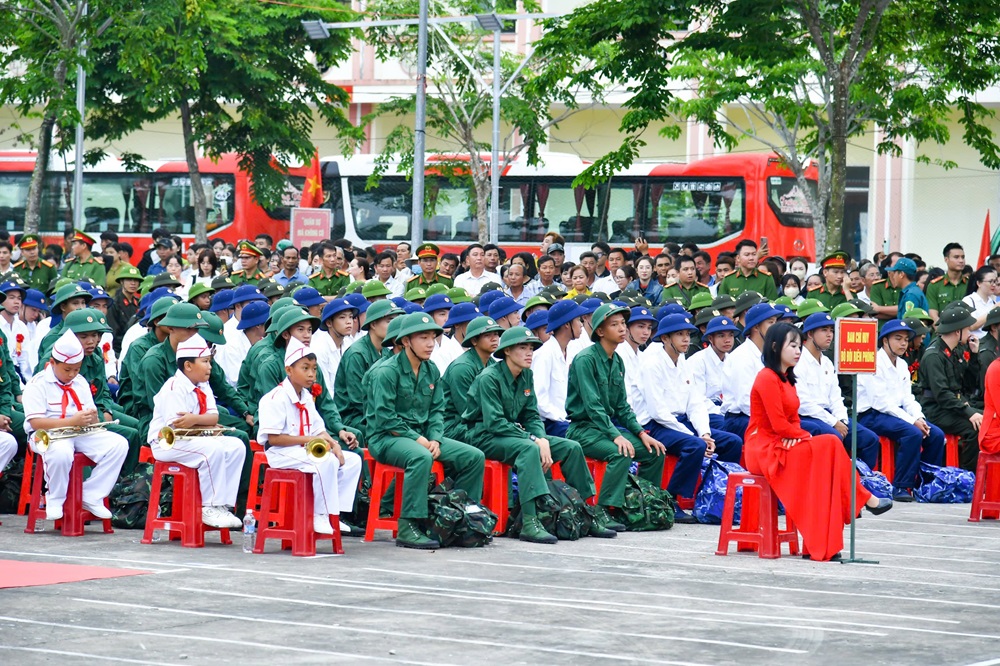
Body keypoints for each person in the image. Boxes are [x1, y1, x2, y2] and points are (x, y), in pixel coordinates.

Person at [745, 323, 892, 562]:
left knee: (828, 454)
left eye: (798, 345)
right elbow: (779, 425)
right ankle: (862, 498)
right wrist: (803, 438)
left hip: (784, 442)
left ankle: (824, 542)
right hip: (763, 447)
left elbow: (792, 422)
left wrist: (797, 437)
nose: (797, 351)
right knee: (829, 445)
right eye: (791, 345)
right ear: (774, 347)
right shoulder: (766, 378)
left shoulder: (787, 379)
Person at [464, 326, 616, 542]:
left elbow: (531, 415)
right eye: (522, 348)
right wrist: (534, 440)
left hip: (513, 435)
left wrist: (542, 438)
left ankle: (586, 513)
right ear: (507, 351)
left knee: (571, 447)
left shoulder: (526, 375)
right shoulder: (489, 377)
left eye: (531, 348)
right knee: (528, 450)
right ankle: (530, 521)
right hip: (483, 436)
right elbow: (495, 423)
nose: (529, 353)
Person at [365, 312, 486, 549]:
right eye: (423, 338)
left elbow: (437, 412)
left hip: (423, 437)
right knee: (420, 457)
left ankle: (460, 518)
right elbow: (386, 418)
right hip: (386, 438)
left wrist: (435, 439)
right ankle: (409, 524)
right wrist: (419, 439)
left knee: (473, 457)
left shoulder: (431, 370)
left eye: (433, 337)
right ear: (406, 341)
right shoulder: (386, 372)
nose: (430, 344)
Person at [566, 303, 666, 530]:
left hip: (605, 429)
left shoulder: (617, 361)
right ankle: (603, 510)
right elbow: (593, 407)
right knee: (620, 453)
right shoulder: (585, 360)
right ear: (600, 331)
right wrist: (616, 436)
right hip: (584, 429)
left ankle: (644, 504)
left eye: (623, 323)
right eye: (615, 325)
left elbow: (622, 406)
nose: (622, 329)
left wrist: (641, 433)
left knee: (654, 451)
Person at [639, 314, 743, 521]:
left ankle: (714, 493)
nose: (686, 339)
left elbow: (695, 403)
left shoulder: (683, 363)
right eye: (680, 335)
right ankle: (671, 499)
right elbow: (658, 411)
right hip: (656, 425)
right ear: (666, 338)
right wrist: (696, 437)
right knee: (694, 445)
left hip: (680, 421)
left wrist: (704, 432)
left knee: (732, 441)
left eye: (687, 334)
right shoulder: (652, 364)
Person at [257, 337, 362, 535]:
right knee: (325, 461)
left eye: (314, 369)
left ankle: (334, 513)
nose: (311, 374)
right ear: (289, 370)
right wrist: (310, 440)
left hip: (304, 451)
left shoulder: (306, 397)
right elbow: (274, 439)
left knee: (352, 461)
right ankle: (319, 514)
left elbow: (318, 429)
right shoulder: (274, 398)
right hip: (281, 452)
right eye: (305, 368)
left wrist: (333, 443)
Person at [23, 329, 128, 521]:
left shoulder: (79, 382)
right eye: (67, 369)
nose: (72, 374)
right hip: (47, 435)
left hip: (78, 432)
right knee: (61, 452)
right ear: (53, 363)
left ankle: (92, 494)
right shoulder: (37, 384)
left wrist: (93, 419)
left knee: (118, 444)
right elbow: (35, 422)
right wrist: (72, 421)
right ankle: (55, 498)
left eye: (77, 369)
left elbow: (89, 413)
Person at [147, 333, 245, 528]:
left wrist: (195, 420)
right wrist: (201, 423)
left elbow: (213, 417)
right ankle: (208, 506)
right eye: (205, 362)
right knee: (212, 450)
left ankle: (223, 504)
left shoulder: (203, 385)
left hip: (193, 438)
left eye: (209, 361)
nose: (210, 367)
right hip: (168, 443)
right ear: (188, 365)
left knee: (236, 446)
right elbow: (178, 426)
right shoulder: (174, 387)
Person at [857, 320, 945, 500]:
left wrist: (919, 417)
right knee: (912, 433)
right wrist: (912, 421)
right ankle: (901, 486)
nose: (903, 343)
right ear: (884, 341)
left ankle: (926, 485)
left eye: (906, 339)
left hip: (896, 413)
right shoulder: (873, 362)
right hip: (871, 414)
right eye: (898, 339)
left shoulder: (903, 365)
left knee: (935, 434)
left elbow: (908, 398)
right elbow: (880, 403)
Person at [918, 307, 983, 471]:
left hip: (953, 405)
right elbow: (942, 395)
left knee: (988, 419)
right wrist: (969, 412)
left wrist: (974, 356)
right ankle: (969, 476)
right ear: (957, 331)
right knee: (974, 428)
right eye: (967, 328)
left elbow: (967, 384)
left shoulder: (952, 351)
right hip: (935, 409)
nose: (969, 332)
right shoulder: (934, 355)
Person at [720, 303, 781, 440]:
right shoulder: (742, 356)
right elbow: (745, 402)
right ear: (756, 327)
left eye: (776, 322)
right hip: (740, 419)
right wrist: (776, 420)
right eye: (771, 323)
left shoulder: (772, 354)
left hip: (768, 414)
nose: (776, 327)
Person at [441, 316, 503, 441]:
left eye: (496, 334)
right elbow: (466, 411)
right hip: (454, 426)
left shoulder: (492, 364)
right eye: (487, 335)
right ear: (474, 341)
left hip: (480, 423)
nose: (494, 338)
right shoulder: (462, 368)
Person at [532, 300, 587, 439]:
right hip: (551, 423)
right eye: (578, 320)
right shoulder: (544, 354)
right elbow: (539, 400)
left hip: (568, 420)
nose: (581, 325)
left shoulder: (572, 350)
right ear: (567, 324)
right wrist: (563, 417)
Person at [688, 315, 740, 415]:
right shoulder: (698, 361)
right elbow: (698, 398)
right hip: (707, 412)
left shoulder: (733, 360)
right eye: (721, 336)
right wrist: (722, 412)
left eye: (730, 335)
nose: (727, 340)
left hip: (730, 408)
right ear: (710, 339)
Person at [312, 298, 357, 396]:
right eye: (342, 317)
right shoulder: (319, 348)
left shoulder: (350, 343)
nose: (349, 321)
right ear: (329, 323)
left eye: (350, 317)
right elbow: (326, 390)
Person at [927, 243, 969, 320]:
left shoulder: (970, 283)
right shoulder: (935, 285)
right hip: (941, 330)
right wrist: (943, 331)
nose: (961, 261)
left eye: (963, 257)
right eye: (956, 257)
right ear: (946, 259)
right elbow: (933, 314)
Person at [962, 265, 998, 338]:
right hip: (975, 344)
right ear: (979, 283)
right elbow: (971, 326)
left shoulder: (993, 302)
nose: (994, 285)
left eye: (995, 281)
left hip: (992, 345)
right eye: (990, 281)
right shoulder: (969, 300)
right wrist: (992, 311)